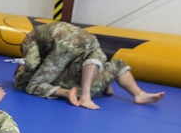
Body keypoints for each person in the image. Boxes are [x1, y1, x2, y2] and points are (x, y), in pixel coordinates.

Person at [14, 21, 163, 110]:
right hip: (87, 38)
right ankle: (139, 94)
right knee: (114, 63)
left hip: (66, 49)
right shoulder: (40, 33)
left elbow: (32, 64)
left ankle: (76, 94)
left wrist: (27, 67)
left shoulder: (29, 42)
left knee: (33, 85)